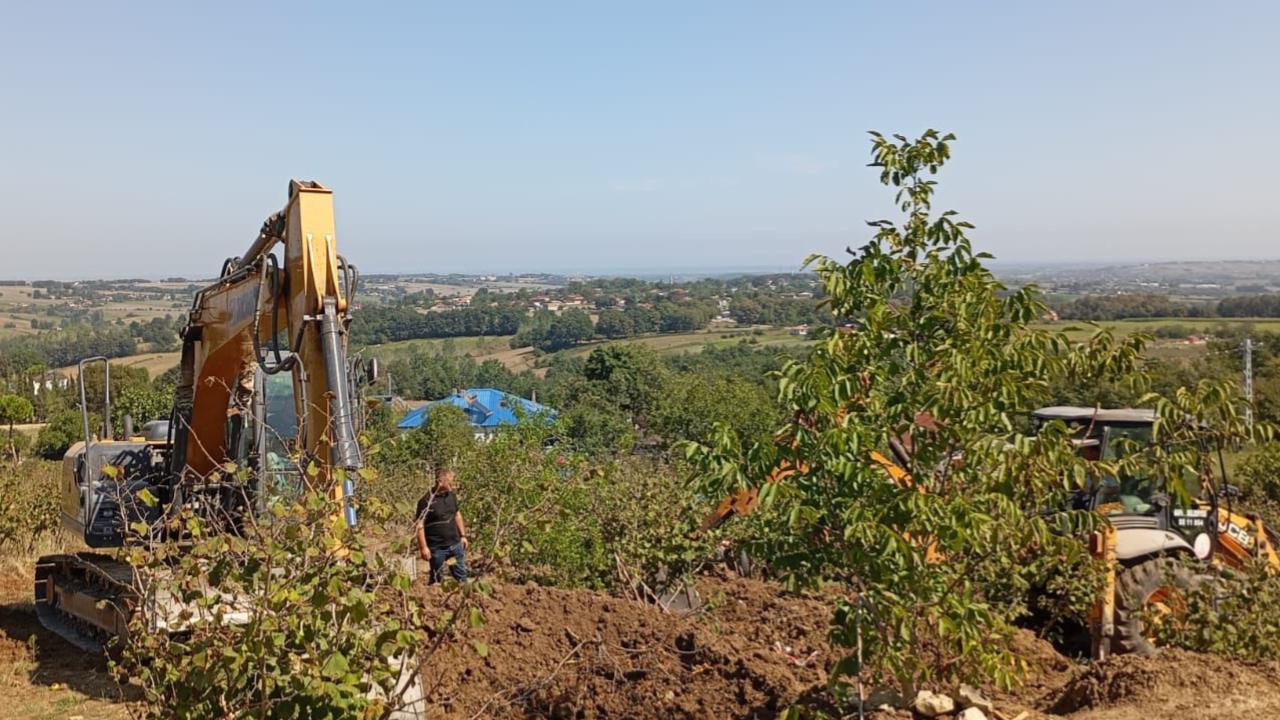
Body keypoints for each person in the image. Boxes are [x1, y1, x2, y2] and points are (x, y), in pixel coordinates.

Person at [416, 467, 468, 583]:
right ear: (440, 482)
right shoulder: (426, 501)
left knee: (462, 578)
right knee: (436, 580)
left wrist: (463, 536)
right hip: (436, 548)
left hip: (455, 545)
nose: (453, 485)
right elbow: (419, 526)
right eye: (450, 482)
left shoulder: (451, 496)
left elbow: (457, 515)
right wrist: (423, 547)